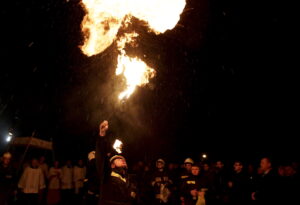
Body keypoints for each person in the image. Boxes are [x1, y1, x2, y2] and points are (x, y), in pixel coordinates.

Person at [96, 120, 136, 205]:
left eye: (123, 159)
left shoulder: (127, 178)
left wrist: (133, 192)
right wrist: (102, 135)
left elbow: (133, 191)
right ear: (112, 165)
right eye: (118, 159)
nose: (123, 160)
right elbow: (102, 156)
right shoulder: (107, 175)